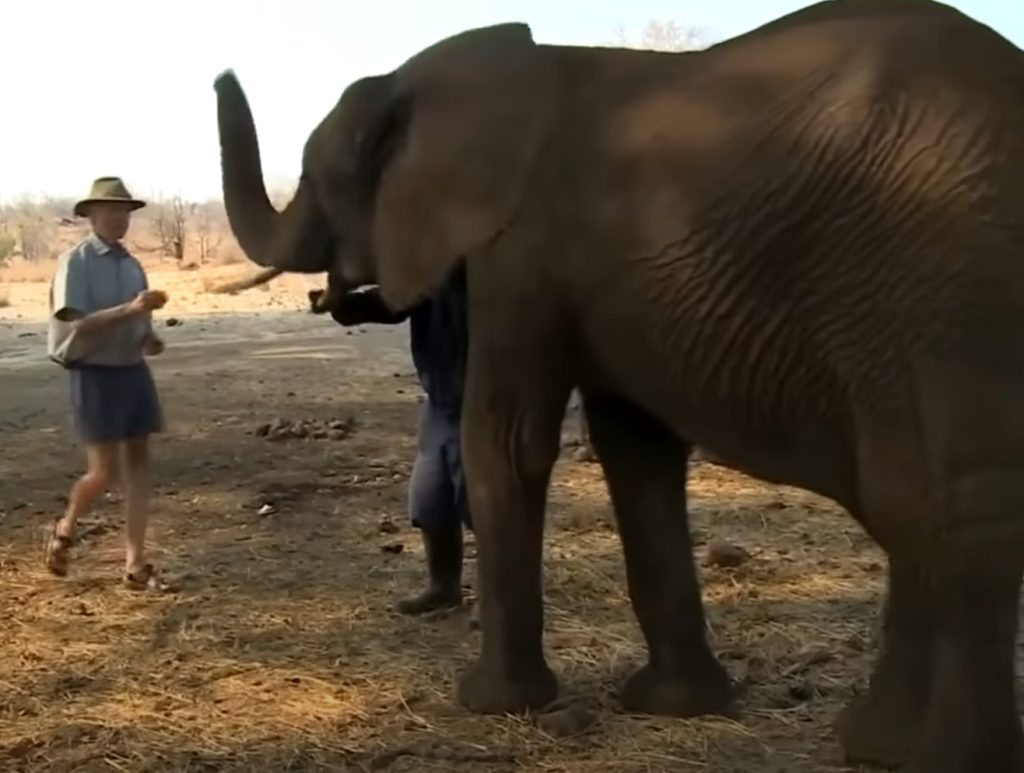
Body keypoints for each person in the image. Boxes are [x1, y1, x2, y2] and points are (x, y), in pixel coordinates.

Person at [315, 265, 471, 616]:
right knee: (430, 501)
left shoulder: (489, 265)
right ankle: (444, 587)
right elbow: (392, 303)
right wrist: (341, 303)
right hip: (441, 404)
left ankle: (501, 601)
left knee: (488, 509)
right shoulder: (430, 267)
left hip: (488, 406)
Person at [44, 176, 172, 591]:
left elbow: (136, 322)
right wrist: (130, 308)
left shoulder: (131, 264)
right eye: (111, 211)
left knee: (139, 467)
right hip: (94, 371)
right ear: (92, 215)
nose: (119, 219)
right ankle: (65, 528)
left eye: (124, 212)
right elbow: (78, 322)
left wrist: (148, 337)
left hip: (131, 370)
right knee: (102, 471)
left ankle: (136, 565)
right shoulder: (76, 262)